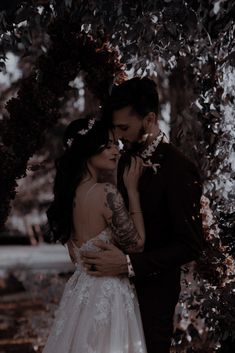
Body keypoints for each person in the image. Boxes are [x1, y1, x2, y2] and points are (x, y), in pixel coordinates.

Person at [81, 78, 204, 353]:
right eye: (116, 128)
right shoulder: (126, 160)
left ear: (149, 119)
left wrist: (129, 264)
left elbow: (191, 244)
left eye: (125, 128)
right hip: (116, 292)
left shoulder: (179, 169)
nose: (119, 136)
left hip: (155, 297)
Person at [43, 117, 148, 353]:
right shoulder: (105, 193)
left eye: (116, 144)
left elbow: (75, 257)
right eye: (108, 144)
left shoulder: (68, 198)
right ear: (87, 149)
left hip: (79, 294)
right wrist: (132, 191)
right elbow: (138, 244)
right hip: (108, 295)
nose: (116, 150)